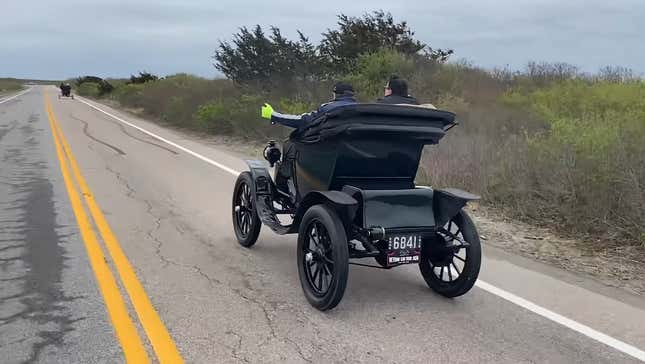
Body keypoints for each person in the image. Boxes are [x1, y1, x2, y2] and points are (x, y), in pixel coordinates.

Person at [260, 82, 357, 197]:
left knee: (289, 144)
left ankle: (284, 184)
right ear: (351, 95)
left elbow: (302, 121)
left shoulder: (328, 109)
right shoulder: (360, 110)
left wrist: (274, 115)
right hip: (353, 158)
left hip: (325, 157)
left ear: (335, 95)